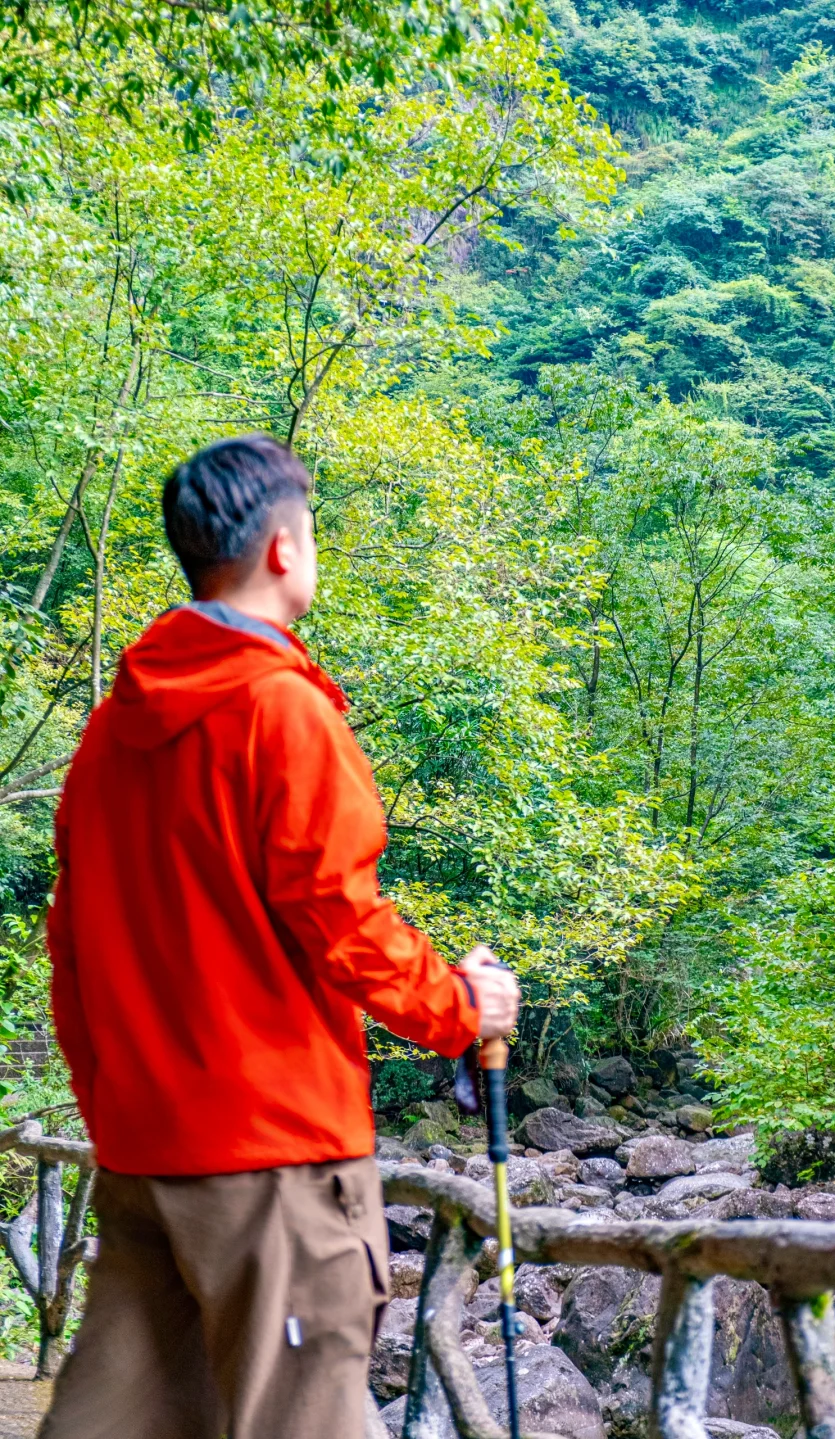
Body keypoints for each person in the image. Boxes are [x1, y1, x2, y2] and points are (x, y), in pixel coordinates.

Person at [42, 433, 520, 1439]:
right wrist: (463, 1008)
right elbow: (341, 918)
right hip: (274, 1154)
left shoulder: (107, 739)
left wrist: (116, 1108)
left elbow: (73, 950)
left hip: (144, 1152)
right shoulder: (282, 713)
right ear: (281, 551)